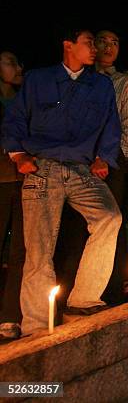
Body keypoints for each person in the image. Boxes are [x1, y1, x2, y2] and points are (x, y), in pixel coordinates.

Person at [1, 28, 122, 335]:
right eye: (87, 43)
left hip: (81, 168)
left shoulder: (101, 85)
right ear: (68, 45)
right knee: (39, 247)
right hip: (43, 166)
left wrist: (103, 157)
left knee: (110, 216)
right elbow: (15, 117)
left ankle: (83, 296)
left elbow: (111, 124)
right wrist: (18, 155)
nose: (94, 49)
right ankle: (37, 324)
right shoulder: (39, 80)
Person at [53, 30, 128, 306]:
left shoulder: (124, 83)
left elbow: (126, 124)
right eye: (102, 41)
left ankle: (110, 286)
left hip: (110, 160)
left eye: (116, 42)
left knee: (109, 221)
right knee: (75, 224)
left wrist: (118, 158)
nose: (109, 47)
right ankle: (68, 285)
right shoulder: (80, 79)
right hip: (77, 160)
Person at [0, 50, 25, 339]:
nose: (18, 67)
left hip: (22, 180)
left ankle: (10, 316)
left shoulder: (23, 100)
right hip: (3, 179)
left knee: (21, 249)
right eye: (10, 62)